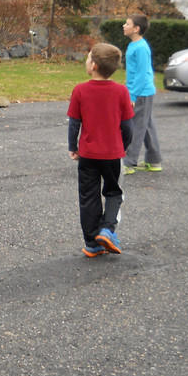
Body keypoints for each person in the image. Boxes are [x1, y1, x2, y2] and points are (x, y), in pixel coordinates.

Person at [67, 43, 134, 257]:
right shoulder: (121, 91)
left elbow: (74, 123)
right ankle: (107, 229)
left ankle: (92, 243)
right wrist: (123, 146)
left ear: (94, 65)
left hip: (88, 154)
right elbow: (127, 126)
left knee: (89, 196)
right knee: (114, 192)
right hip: (113, 153)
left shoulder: (80, 90)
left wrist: (73, 147)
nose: (86, 61)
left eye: (88, 58)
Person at [122, 14, 163, 174]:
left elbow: (141, 74)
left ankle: (128, 162)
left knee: (136, 127)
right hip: (140, 92)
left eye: (127, 24)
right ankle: (154, 160)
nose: (124, 26)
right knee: (147, 125)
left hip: (141, 93)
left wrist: (132, 95)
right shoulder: (134, 45)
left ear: (136, 29)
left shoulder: (141, 48)